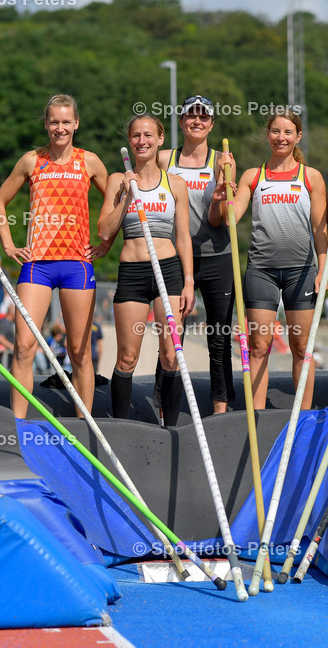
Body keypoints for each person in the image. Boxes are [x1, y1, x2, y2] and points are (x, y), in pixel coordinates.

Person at [0, 94, 110, 419]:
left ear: (76, 123)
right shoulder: (31, 160)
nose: (60, 127)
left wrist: (106, 243)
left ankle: (85, 425)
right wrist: (9, 245)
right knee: (24, 346)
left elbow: (116, 201)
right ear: (46, 124)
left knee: (79, 351)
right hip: (37, 266)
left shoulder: (90, 161)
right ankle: (18, 423)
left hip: (77, 265)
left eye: (66, 122)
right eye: (54, 122)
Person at [222, 110, 327, 410]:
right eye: (276, 132)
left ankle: (303, 417)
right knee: (258, 347)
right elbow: (231, 216)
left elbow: (320, 229)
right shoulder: (252, 176)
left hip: (302, 271)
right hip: (261, 272)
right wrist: (224, 179)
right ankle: (257, 415)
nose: (281, 138)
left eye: (288, 132)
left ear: (298, 136)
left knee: (302, 347)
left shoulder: (311, 177)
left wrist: (323, 269)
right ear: (268, 135)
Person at [99, 113, 195, 425]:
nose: (142, 141)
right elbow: (103, 231)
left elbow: (182, 237)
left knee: (170, 355)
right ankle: (122, 426)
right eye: (136, 136)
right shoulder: (117, 180)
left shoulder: (176, 184)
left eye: (148, 135)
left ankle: (170, 427)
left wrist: (189, 281)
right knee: (127, 357)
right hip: (132, 272)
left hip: (168, 272)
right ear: (129, 141)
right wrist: (128, 195)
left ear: (160, 139)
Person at [158, 95, 236, 414]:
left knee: (218, 337)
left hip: (216, 254)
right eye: (191, 116)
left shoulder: (223, 160)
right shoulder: (164, 159)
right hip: (175, 257)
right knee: (172, 337)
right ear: (181, 121)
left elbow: (219, 219)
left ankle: (220, 406)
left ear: (212, 124)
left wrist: (219, 193)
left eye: (204, 117)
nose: (197, 121)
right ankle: (165, 408)